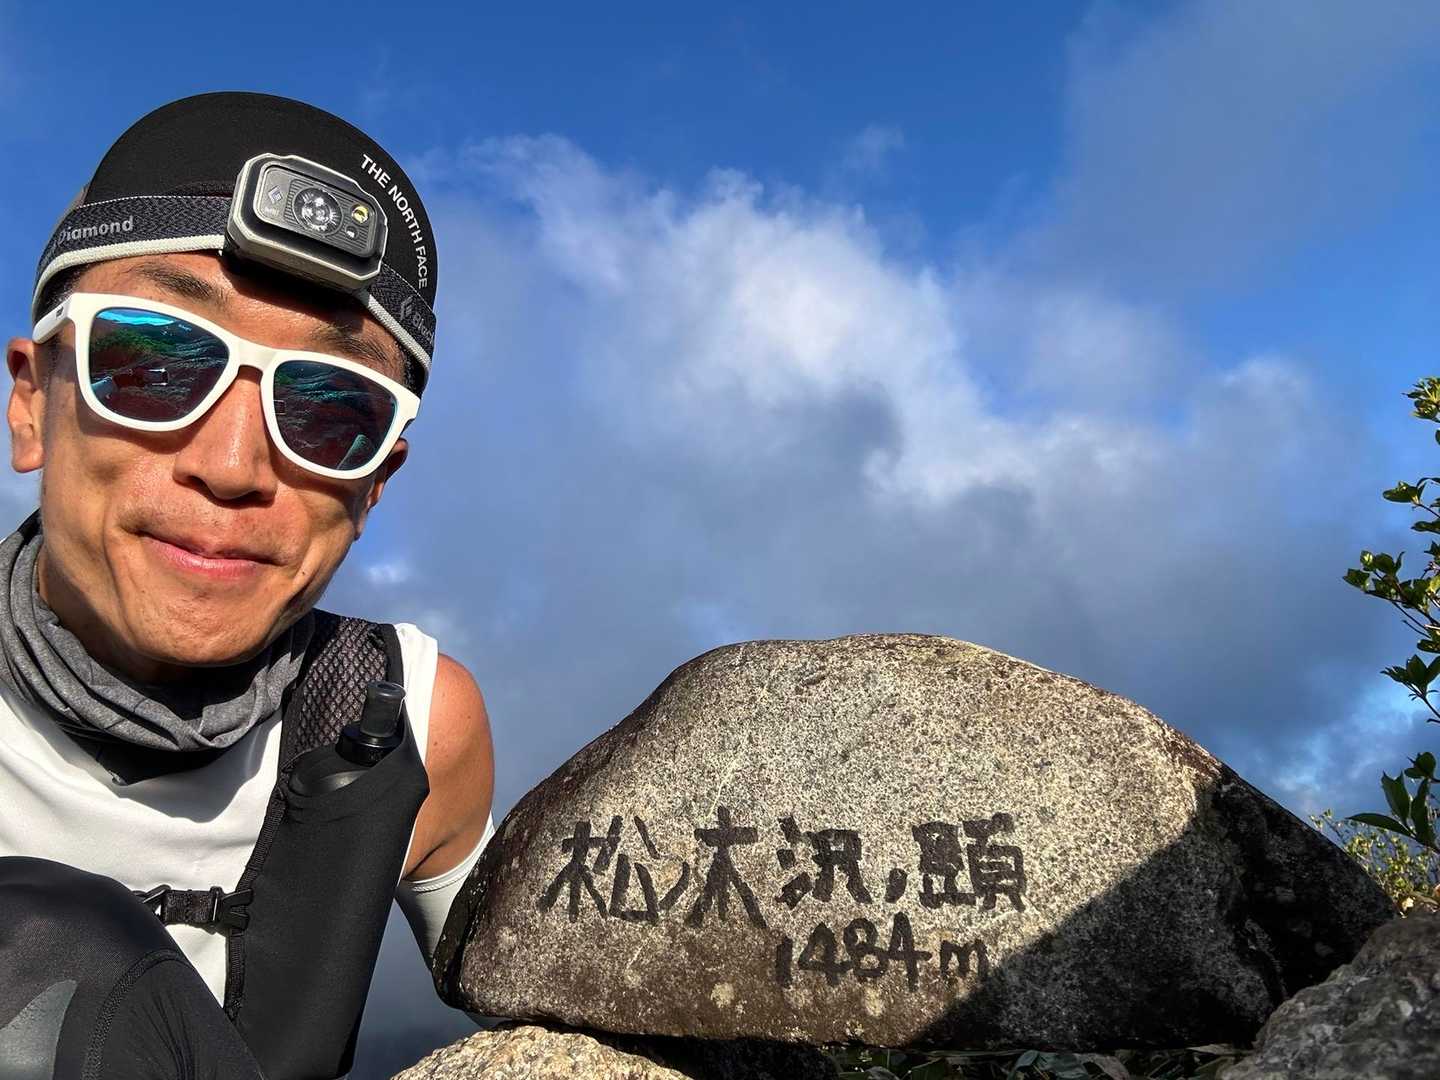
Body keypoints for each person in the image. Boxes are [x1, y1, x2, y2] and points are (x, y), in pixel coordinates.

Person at [0, 92, 495, 1078]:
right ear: (30, 402)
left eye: (331, 409)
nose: (231, 466)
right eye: (153, 360)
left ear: (374, 485)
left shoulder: (411, 728)